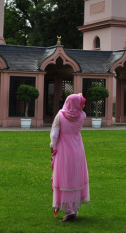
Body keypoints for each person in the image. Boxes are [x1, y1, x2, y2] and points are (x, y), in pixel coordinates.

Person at [50, 93, 90, 222]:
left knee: (64, 176)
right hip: (77, 147)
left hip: (64, 147)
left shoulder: (60, 115)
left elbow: (55, 133)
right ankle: (73, 206)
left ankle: (69, 209)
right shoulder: (82, 115)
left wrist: (52, 145)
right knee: (74, 176)